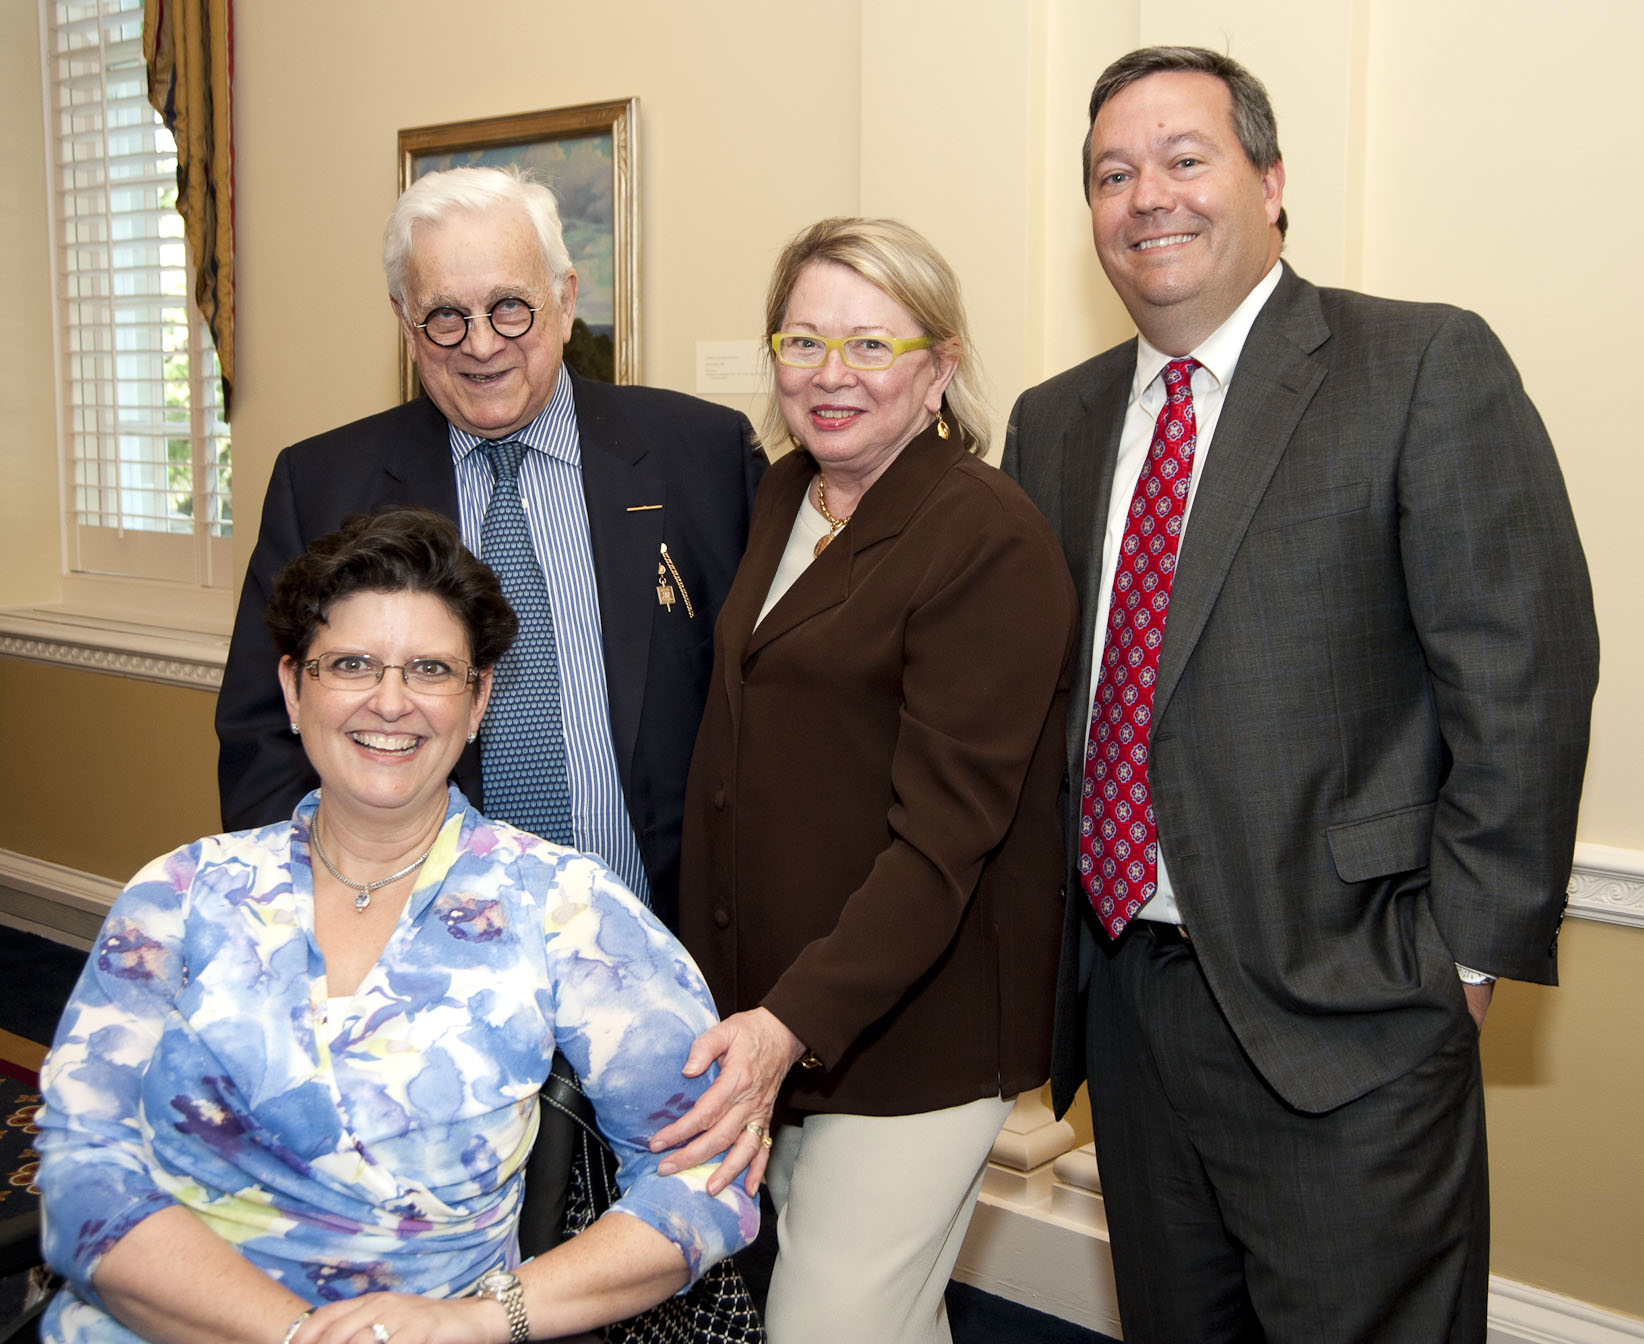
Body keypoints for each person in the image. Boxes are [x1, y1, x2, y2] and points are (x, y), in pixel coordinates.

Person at [1003, 45, 1599, 1343]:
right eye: (1112, 173)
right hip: (1132, 1013)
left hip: (1357, 1014)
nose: (1145, 195)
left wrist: (1465, 965)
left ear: (1271, 183)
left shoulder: (1417, 367)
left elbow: (1522, 679)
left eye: (1183, 158)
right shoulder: (1053, 424)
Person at [36, 507, 757, 1344]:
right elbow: (83, 1168)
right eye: (350, 664)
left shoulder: (565, 908)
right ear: (292, 688)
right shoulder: (180, 893)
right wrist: (300, 1334)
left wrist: (490, 1317)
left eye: (429, 669)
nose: (390, 702)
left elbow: (709, 1173)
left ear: (479, 696)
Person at [652, 218, 1078, 1344]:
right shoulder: (786, 496)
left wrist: (788, 1023)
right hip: (783, 1011)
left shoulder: (986, 537)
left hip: (917, 1033)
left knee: (824, 1325)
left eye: (870, 346)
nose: (831, 376)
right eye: (803, 342)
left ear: (939, 367)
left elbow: (946, 839)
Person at [216, 165, 765, 930]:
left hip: (663, 940)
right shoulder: (322, 484)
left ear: (567, 301)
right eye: (445, 316)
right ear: (404, 320)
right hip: (415, 958)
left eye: (511, 308)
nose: (480, 346)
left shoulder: (703, 458)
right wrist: (330, 931)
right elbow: (263, 739)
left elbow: (774, 709)